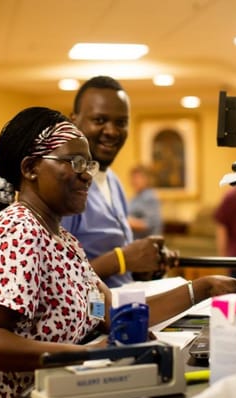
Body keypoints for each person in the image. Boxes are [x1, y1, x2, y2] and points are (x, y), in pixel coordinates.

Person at [0, 106, 236, 398]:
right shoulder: (18, 229)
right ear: (30, 168)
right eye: (75, 162)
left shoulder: (62, 239)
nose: (87, 175)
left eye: (89, 163)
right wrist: (83, 355)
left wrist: (203, 288)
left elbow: (116, 315)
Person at [61, 76, 176, 287]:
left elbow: (118, 273)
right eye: (99, 120)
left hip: (123, 308)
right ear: (74, 121)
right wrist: (122, 259)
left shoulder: (113, 182)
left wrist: (145, 265)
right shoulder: (65, 185)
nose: (112, 131)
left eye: (121, 123)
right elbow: (57, 280)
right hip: (85, 316)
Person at [127, 164, 163, 239]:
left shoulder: (149, 197)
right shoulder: (136, 197)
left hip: (147, 246)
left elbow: (149, 224)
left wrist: (125, 221)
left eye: (137, 178)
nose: (134, 181)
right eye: (133, 178)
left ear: (146, 179)